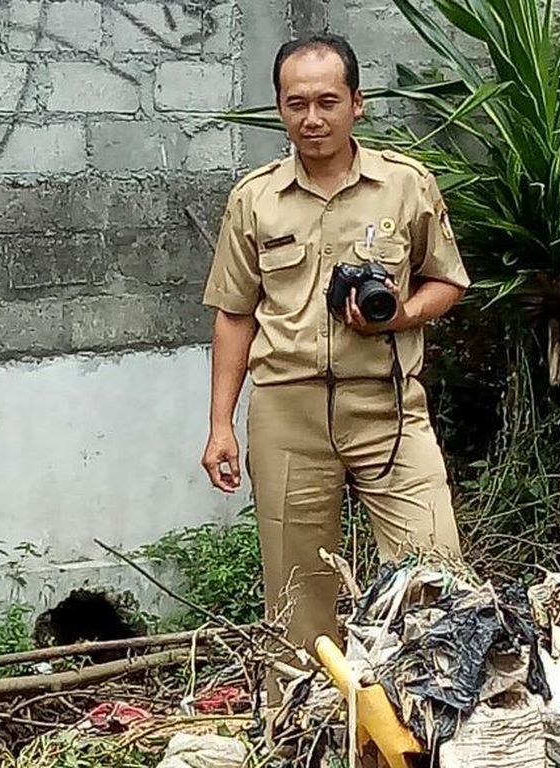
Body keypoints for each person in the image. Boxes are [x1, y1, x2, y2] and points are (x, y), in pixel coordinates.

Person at [200, 33, 470, 702]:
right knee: (298, 601)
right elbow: (233, 314)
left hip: (389, 408)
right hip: (287, 413)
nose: (312, 118)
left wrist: (398, 316)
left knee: (434, 576)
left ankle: (433, 720)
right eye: (297, 104)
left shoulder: (405, 185)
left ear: (357, 103)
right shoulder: (255, 199)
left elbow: (448, 281)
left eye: (327, 101)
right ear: (280, 110)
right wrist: (220, 426)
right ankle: (300, 725)